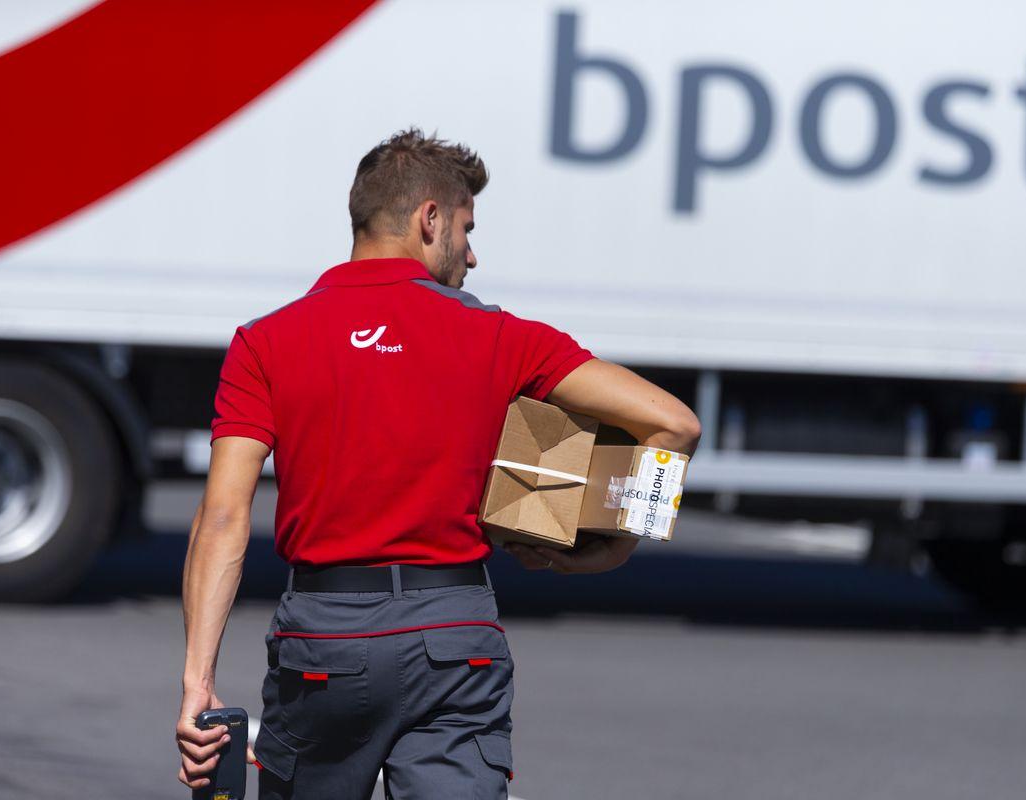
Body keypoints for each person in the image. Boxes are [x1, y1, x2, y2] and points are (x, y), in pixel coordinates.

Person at [174, 128, 701, 799]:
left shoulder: (266, 341)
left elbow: (221, 517)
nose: (472, 255)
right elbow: (675, 424)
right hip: (456, 634)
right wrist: (615, 547)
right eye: (466, 227)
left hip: (323, 641)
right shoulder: (504, 337)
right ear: (429, 220)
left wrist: (198, 684)